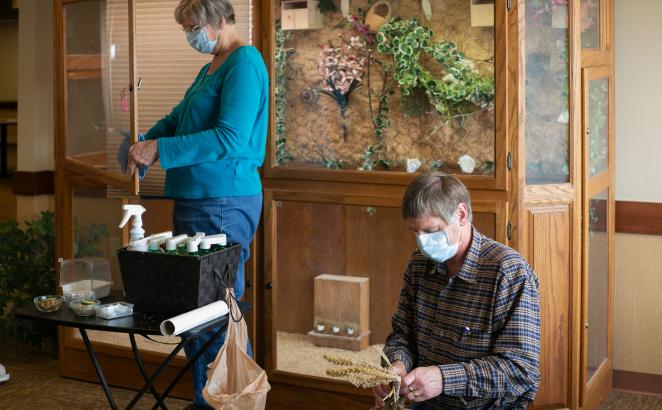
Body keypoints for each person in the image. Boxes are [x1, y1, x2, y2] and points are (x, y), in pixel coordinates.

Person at [126, 0, 268, 408]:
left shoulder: (244, 64)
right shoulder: (212, 67)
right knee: (195, 309)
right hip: (197, 198)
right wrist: (144, 143)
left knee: (214, 311)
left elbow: (230, 138)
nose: (191, 35)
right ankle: (210, 398)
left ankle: (226, 403)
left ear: (221, 20)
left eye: (194, 27)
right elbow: (178, 118)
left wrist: (159, 149)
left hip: (222, 199)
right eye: (186, 28)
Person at [374, 172, 541, 409]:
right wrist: (397, 365)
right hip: (422, 403)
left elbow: (521, 371)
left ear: (461, 215)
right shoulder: (419, 265)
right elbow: (403, 333)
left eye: (431, 231)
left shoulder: (509, 272)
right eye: (415, 232)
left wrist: (443, 379)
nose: (422, 243)